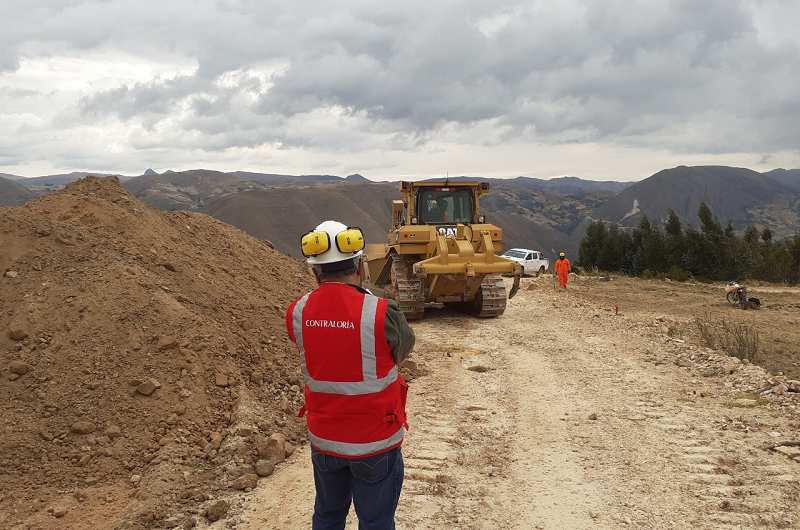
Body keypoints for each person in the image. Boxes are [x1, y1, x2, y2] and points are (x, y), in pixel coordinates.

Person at [286, 220, 416, 530]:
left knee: (328, 517)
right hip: (375, 443)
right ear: (360, 265)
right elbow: (403, 348)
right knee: (376, 522)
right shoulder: (382, 312)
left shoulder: (297, 312)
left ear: (314, 273)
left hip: (326, 442)